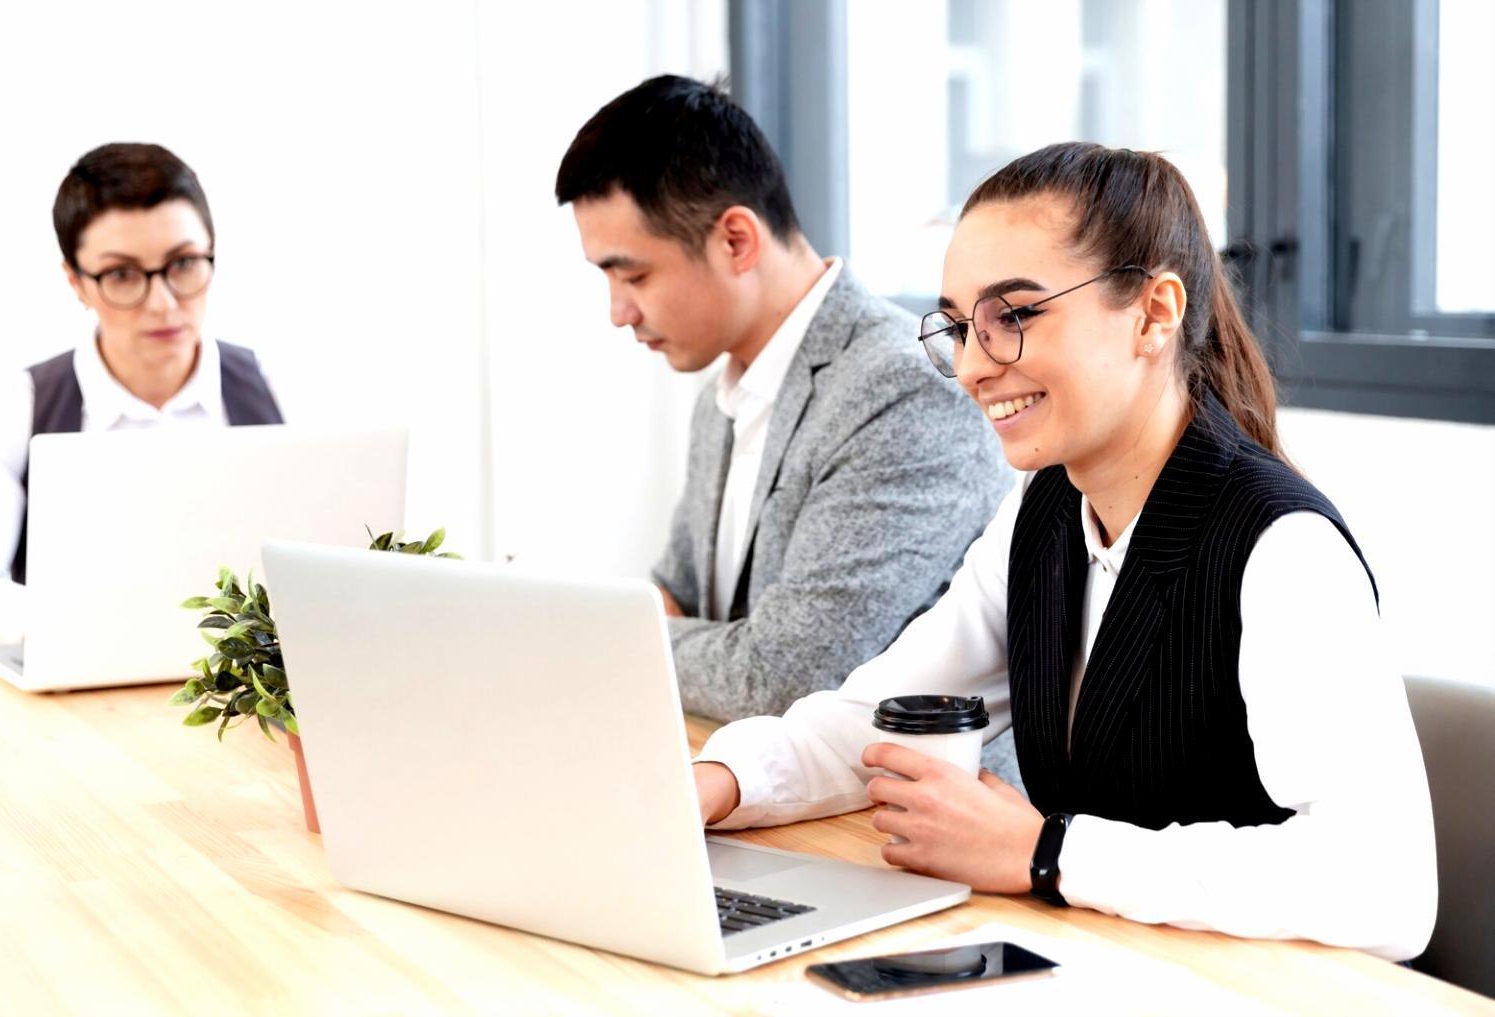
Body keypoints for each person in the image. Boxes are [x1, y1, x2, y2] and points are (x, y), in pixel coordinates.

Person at [690, 142, 1437, 961]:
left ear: (1154, 313)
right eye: (959, 327)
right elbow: (880, 715)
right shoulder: (1042, 513)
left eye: (1013, 315)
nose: (973, 367)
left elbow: (1387, 886)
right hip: (1109, 965)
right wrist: (718, 784)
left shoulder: (1281, 548)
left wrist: (1048, 851)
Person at [555, 75, 1014, 726]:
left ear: (736, 240)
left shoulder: (901, 390)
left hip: (879, 811)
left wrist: (610, 633)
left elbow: (782, 677)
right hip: (747, 784)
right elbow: (673, 598)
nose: (618, 311)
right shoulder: (723, 394)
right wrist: (656, 628)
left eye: (634, 274)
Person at [0, 143, 281, 641]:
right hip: (76, 703)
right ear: (76, 283)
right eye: (122, 274)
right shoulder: (20, 404)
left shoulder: (278, 386)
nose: (163, 304)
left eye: (184, 263)